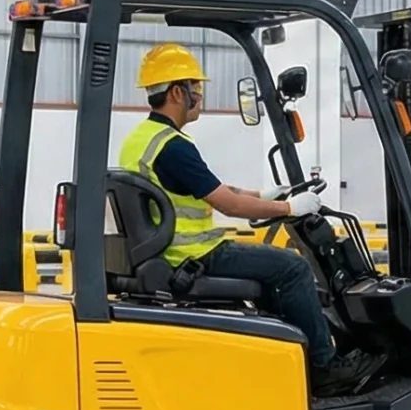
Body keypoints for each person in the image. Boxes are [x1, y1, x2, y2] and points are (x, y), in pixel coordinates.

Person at [119, 43, 378, 390]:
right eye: (196, 88)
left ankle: (289, 355)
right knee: (293, 267)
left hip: (169, 252)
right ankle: (324, 368)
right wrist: (289, 209)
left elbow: (211, 188)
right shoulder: (174, 147)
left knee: (274, 272)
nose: (200, 96)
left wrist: (264, 195)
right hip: (193, 256)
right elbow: (228, 205)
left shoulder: (142, 139)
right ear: (178, 92)